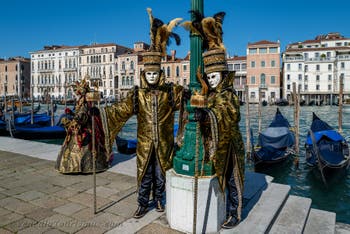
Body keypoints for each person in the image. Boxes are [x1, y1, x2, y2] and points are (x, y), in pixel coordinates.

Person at [96, 8, 186, 219]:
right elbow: (120, 111)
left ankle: (159, 200)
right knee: (145, 175)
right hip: (145, 144)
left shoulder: (170, 93)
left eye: (155, 73)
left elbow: (187, 104)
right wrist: (100, 112)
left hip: (164, 143)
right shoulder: (137, 95)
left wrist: (192, 96)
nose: (153, 77)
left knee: (161, 174)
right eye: (149, 73)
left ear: (160, 74)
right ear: (145, 74)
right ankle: (142, 203)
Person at [188, 11, 245, 229]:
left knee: (233, 179)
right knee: (223, 178)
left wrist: (207, 115)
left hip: (229, 144)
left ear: (222, 75)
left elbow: (228, 114)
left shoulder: (228, 94)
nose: (211, 81)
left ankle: (235, 212)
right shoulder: (209, 94)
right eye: (209, 77)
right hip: (215, 145)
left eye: (215, 77)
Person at [55, 78, 110, 174]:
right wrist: (72, 113)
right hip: (79, 125)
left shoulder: (84, 103)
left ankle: (82, 166)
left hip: (84, 127)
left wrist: (74, 120)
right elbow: (79, 113)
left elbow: (82, 115)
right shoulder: (81, 101)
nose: (76, 94)